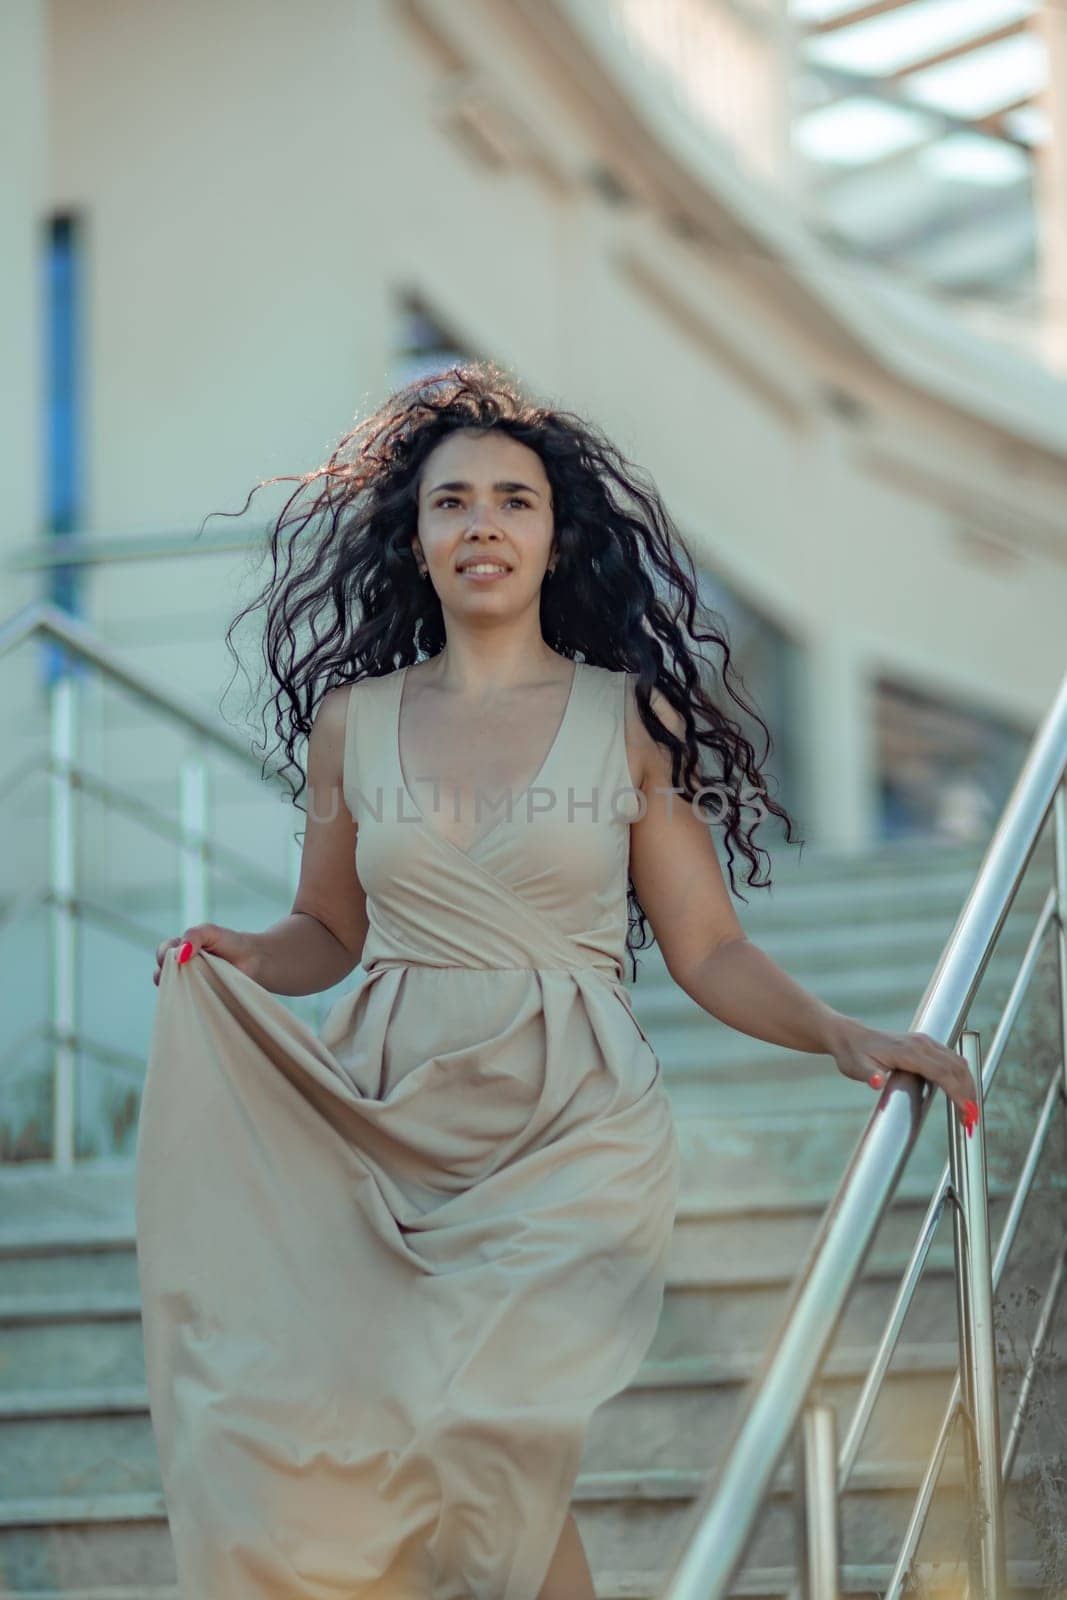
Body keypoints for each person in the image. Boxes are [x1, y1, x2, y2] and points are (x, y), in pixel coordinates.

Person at [136, 363, 979, 1600]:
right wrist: (248, 958)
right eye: (452, 502)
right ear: (413, 540)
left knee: (484, 1426)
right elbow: (328, 923)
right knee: (420, 1461)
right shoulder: (350, 726)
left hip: (572, 1124)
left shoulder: (630, 719)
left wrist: (837, 1033)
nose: (482, 521)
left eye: (513, 500)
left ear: (553, 533)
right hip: (387, 1122)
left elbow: (707, 948)